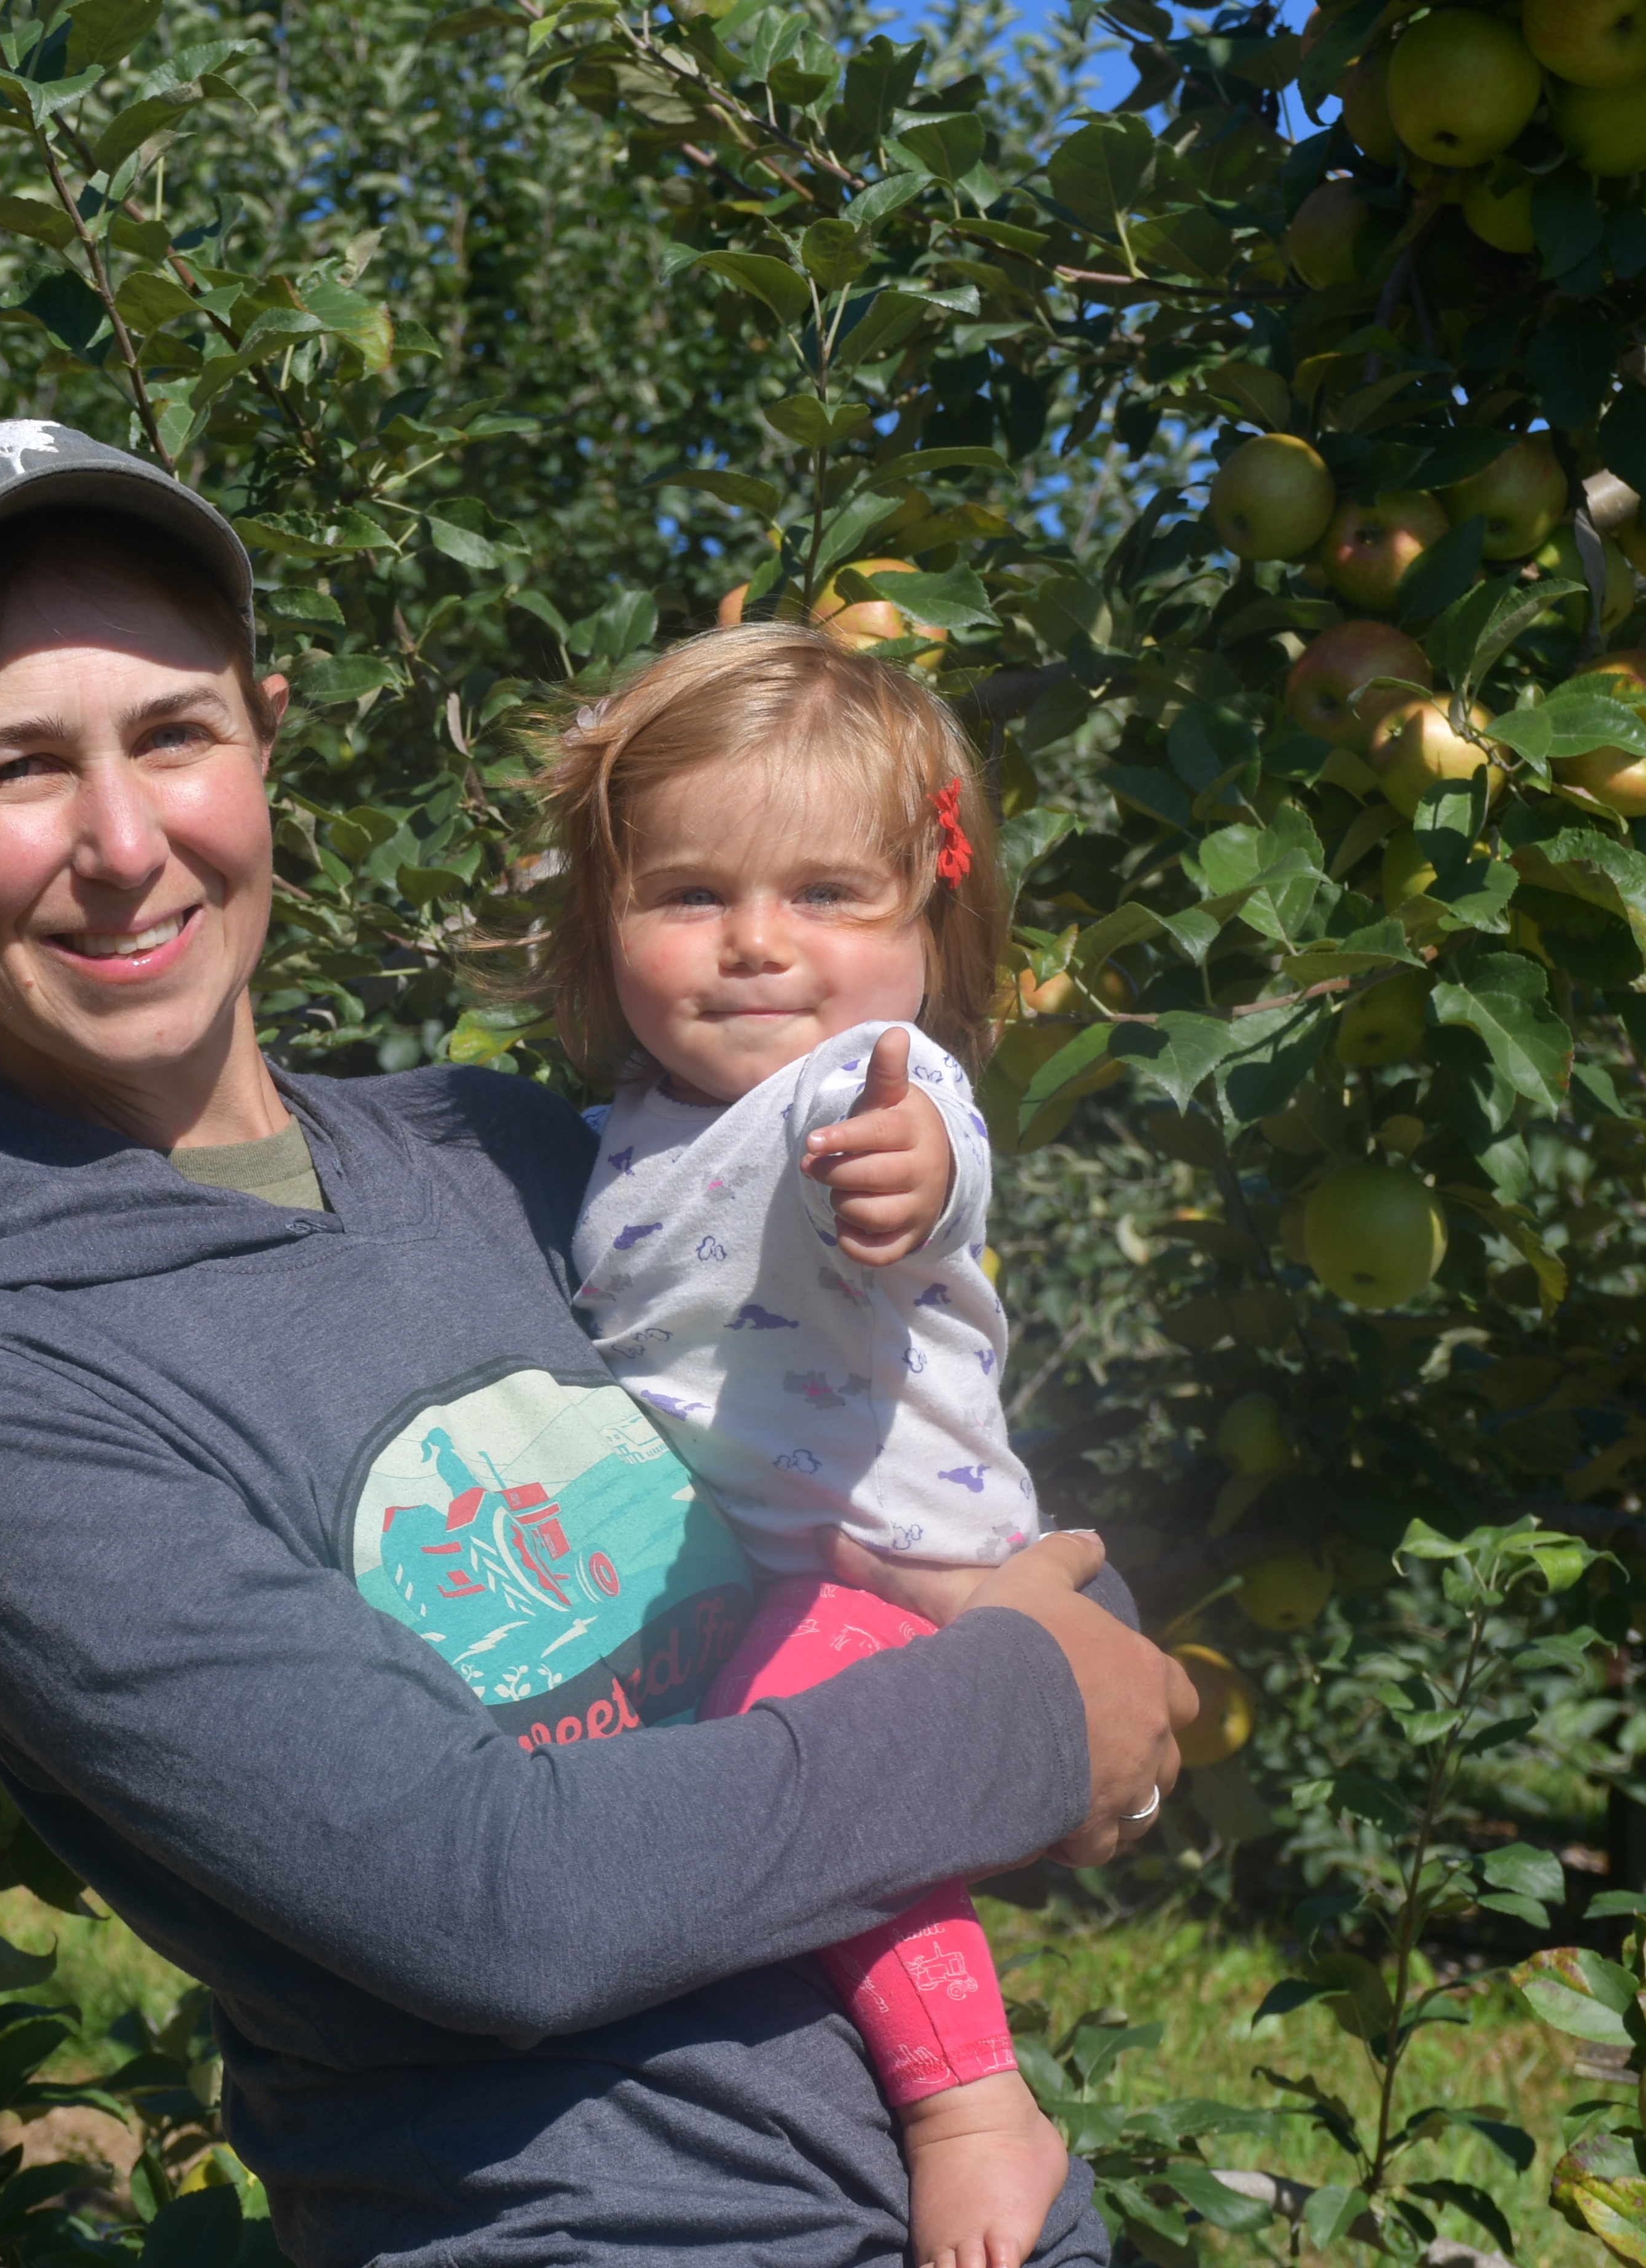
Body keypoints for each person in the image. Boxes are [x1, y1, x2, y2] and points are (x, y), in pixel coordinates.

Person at [0, 415, 1196, 2268]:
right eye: (16, 771)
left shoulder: (515, 1157)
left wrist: (1031, 1623)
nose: (123, 845)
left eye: (175, 736)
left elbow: (846, 1433)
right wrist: (1026, 1715)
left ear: (266, 739)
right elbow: (488, 1900)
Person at [531, 623, 1070, 2268]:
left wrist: (907, 1173)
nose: (759, 946)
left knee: (812, 1727)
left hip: (890, 1566)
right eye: (691, 896)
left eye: (829, 896)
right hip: (750, 1560)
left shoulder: (865, 1078)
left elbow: (935, 1147)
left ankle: (974, 2102)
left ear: (932, 915)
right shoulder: (631, 1121)